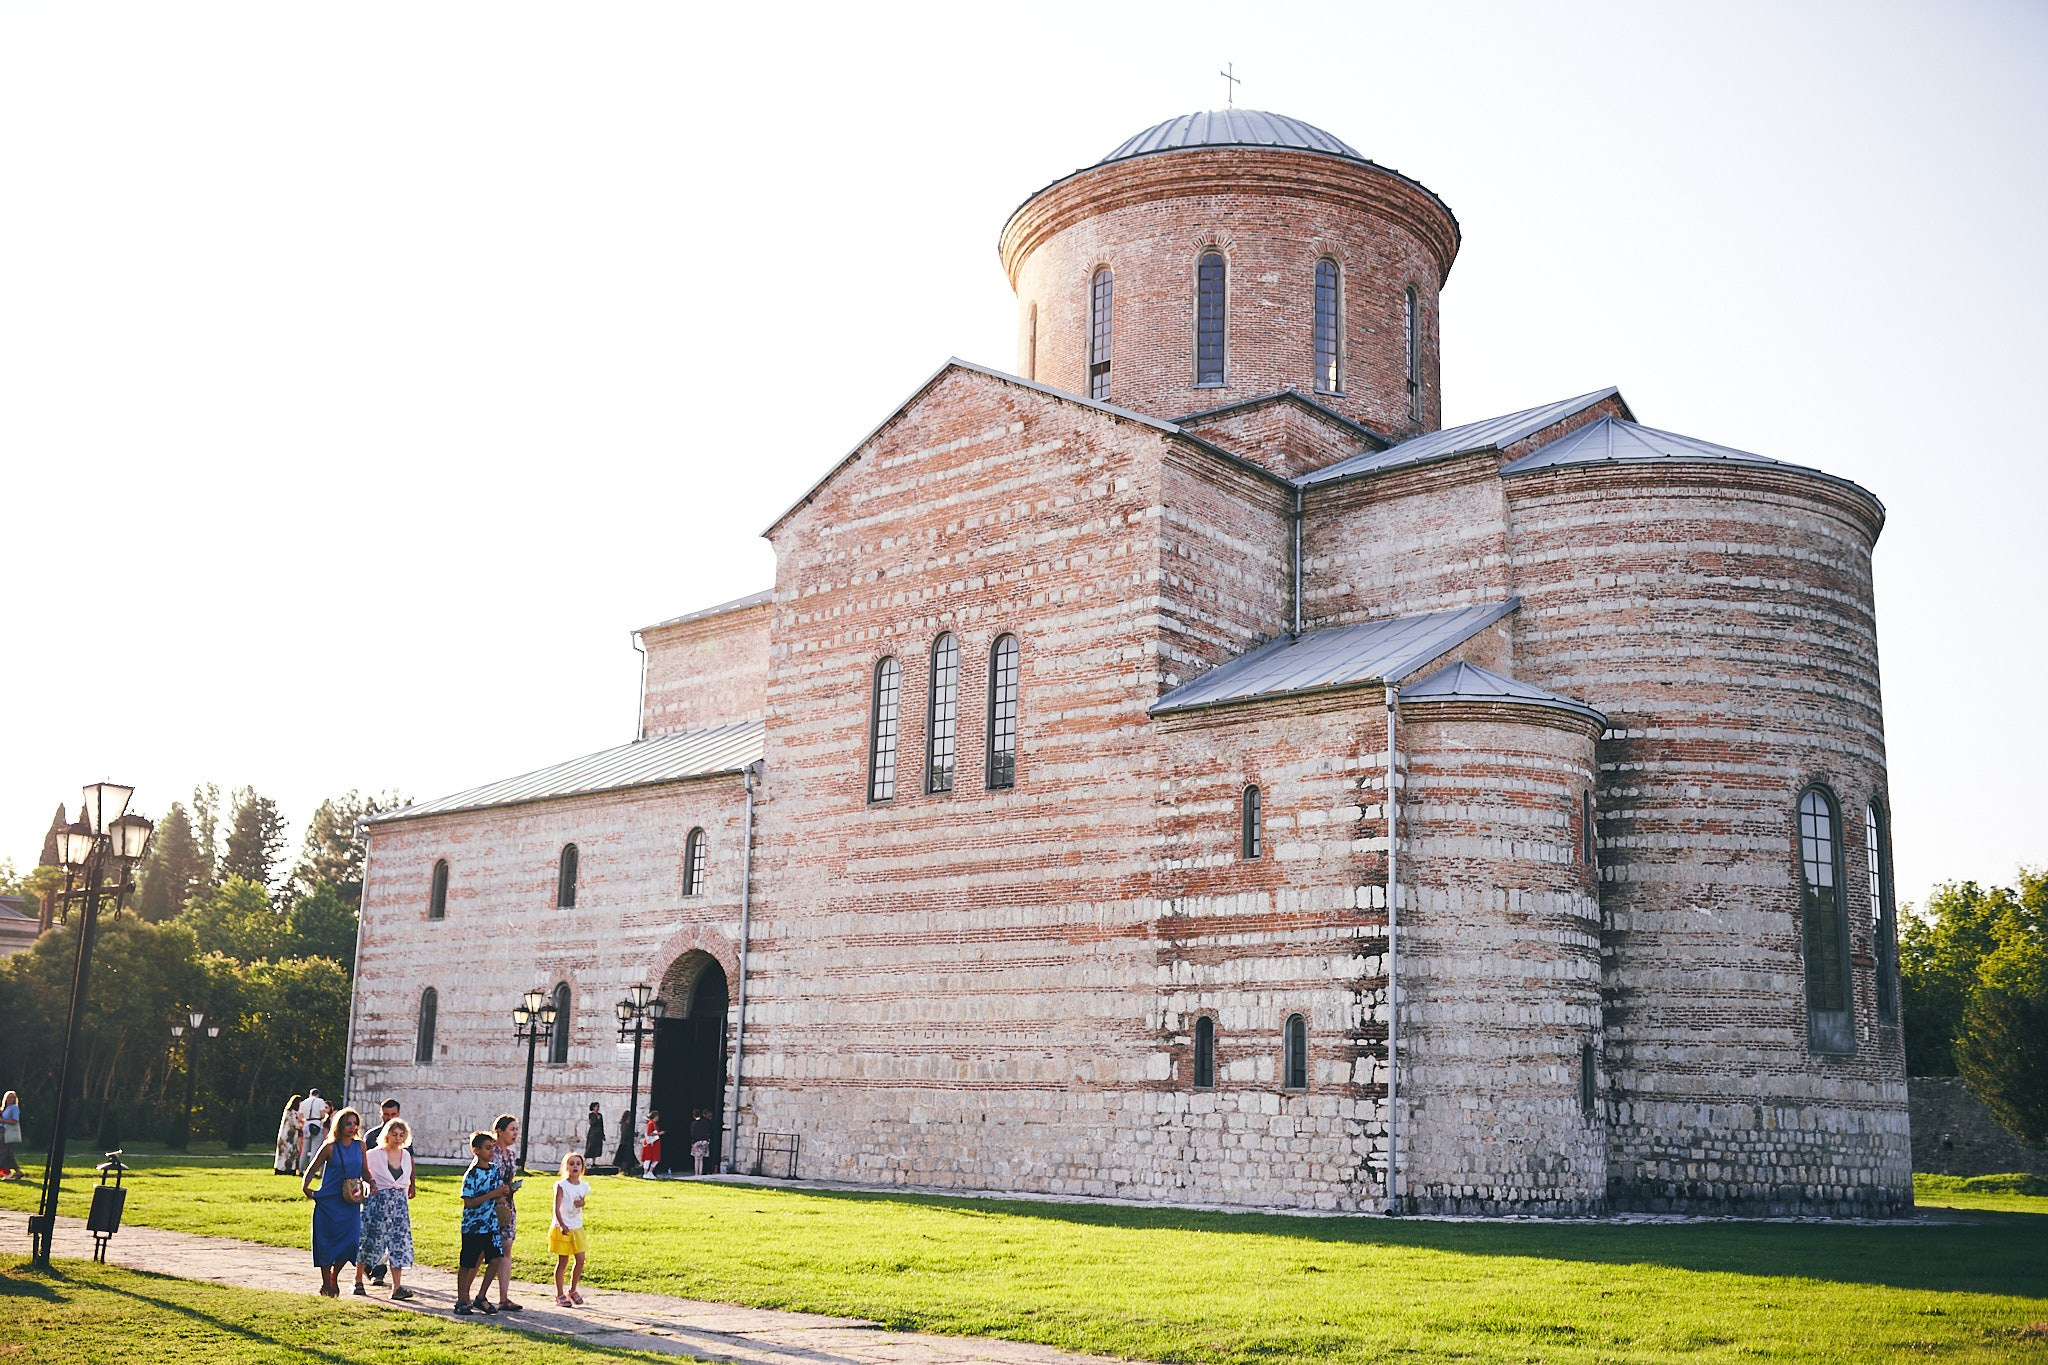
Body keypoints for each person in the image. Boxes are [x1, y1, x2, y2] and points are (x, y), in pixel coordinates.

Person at [300, 1105, 366, 1298]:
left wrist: (371, 1183)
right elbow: (312, 1168)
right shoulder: (329, 1147)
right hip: (329, 1201)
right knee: (325, 1242)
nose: (352, 1127)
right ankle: (326, 1281)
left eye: (355, 1124)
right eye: (348, 1124)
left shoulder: (360, 1145)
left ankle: (333, 1276)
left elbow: (365, 1170)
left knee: (351, 1242)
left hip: (351, 1202)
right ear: (340, 1125)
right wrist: (306, 1186)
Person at [356, 1116, 417, 1300]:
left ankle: (396, 1287)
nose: (397, 1138)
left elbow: (407, 1178)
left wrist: (410, 1188)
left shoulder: (405, 1155)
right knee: (371, 1240)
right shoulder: (374, 1154)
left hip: (399, 1205)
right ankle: (358, 1280)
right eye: (394, 1134)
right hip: (378, 1202)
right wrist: (362, 1191)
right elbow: (361, 1173)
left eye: (401, 1135)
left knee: (399, 1243)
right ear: (387, 1135)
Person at [455, 1129, 511, 1315]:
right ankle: (462, 1298)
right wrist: (493, 1194)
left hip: (491, 1224)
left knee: (495, 1259)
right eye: (487, 1148)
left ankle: (481, 1296)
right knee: (468, 1263)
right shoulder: (471, 1175)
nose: (491, 1151)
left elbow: (498, 1194)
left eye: (492, 1147)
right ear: (476, 1150)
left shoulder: (495, 1170)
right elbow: (469, 1202)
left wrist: (503, 1194)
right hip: (473, 1226)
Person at [360, 1097, 402, 1284]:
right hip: (374, 1190)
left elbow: (409, 1161)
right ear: (381, 1114)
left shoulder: (402, 1136)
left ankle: (380, 1269)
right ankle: (369, 1267)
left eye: (393, 1114)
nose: (389, 1118)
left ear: (398, 1114)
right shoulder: (371, 1136)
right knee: (372, 1231)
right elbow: (363, 1163)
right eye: (386, 1114)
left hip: (394, 1193)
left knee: (390, 1232)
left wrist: (411, 1184)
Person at [488, 1113, 524, 1310]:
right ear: (499, 1131)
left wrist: (511, 1188)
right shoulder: (490, 1151)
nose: (515, 1133)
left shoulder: (511, 1154)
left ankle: (504, 1297)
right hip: (489, 1205)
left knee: (506, 1248)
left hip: (507, 1206)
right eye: (512, 1129)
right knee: (483, 1250)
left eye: (516, 1129)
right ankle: (468, 1295)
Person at [550, 1151, 592, 1306]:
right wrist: (561, 1224)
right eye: (571, 1163)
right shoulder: (561, 1185)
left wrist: (582, 1204)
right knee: (563, 1261)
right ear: (565, 1166)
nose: (575, 1166)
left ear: (582, 1167)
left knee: (580, 1259)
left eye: (578, 1164)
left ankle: (573, 1289)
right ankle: (560, 1294)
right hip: (563, 1226)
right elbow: (556, 1207)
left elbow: (581, 1202)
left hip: (577, 1226)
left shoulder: (584, 1186)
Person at [274, 1094, 304, 1175]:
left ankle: (280, 1168)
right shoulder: (293, 1113)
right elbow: (296, 1124)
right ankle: (288, 1169)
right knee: (289, 1153)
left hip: (285, 1135)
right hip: (289, 1137)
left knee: (283, 1153)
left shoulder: (287, 1112)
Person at [299, 1088, 330, 1158]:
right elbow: (322, 1114)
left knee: (304, 1149)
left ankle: (300, 1168)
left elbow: (300, 1116)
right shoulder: (320, 1101)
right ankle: (311, 1167)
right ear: (318, 1095)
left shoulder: (304, 1102)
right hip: (316, 1123)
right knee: (314, 1149)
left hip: (306, 1124)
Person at [0, 1091, 22, 1181]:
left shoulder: (14, 1108)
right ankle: (17, 1172)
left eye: (12, 1098)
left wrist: (2, 1120)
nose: (10, 1099)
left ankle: (7, 1172)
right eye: (8, 1097)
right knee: (8, 1153)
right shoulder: (5, 1108)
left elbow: (15, 1121)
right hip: (2, 1132)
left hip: (7, 1132)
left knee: (4, 1153)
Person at [639, 1110, 663, 1179]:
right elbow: (649, 1133)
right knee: (648, 1158)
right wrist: (658, 1133)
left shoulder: (653, 1123)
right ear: (655, 1116)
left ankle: (650, 1172)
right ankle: (645, 1173)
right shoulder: (651, 1123)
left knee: (656, 1159)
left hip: (655, 1144)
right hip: (650, 1144)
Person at [689, 1110, 713, 1177]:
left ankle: (696, 1173)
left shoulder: (694, 1124)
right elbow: (708, 1131)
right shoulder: (705, 1122)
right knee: (701, 1159)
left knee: (696, 1159)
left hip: (696, 1142)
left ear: (694, 1116)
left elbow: (692, 1134)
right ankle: (700, 1173)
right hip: (704, 1141)